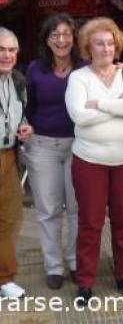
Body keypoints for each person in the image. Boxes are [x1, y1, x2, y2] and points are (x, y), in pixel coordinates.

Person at [65, 17, 123, 306]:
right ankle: (86, 282)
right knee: (91, 223)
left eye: (110, 43)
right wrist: (118, 106)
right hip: (89, 160)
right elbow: (78, 116)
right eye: (99, 43)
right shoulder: (79, 77)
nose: (105, 48)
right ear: (88, 46)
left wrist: (98, 103)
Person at [23, 13, 82, 290]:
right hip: (42, 146)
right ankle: (53, 266)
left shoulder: (85, 67)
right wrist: (25, 127)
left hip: (80, 145)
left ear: (74, 37)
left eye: (66, 34)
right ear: (46, 40)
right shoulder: (35, 69)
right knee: (48, 209)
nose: (61, 40)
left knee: (77, 208)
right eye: (55, 35)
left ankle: (74, 261)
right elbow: (27, 107)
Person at [0, 27, 33, 298]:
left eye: (11, 50)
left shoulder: (19, 80)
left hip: (9, 156)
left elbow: (21, 114)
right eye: (1, 49)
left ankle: (4, 278)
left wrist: (24, 127)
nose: (7, 55)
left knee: (9, 218)